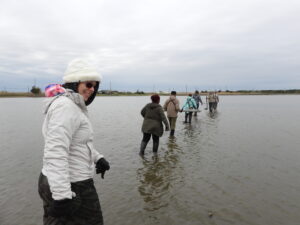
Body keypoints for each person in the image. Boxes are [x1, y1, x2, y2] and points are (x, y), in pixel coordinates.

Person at [38, 59, 110, 225]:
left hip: (61, 180)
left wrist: (97, 158)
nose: (92, 89)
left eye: (95, 86)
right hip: (73, 185)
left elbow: (78, 143)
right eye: (89, 84)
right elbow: (56, 151)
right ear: (74, 83)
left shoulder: (73, 106)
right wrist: (62, 195)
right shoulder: (66, 107)